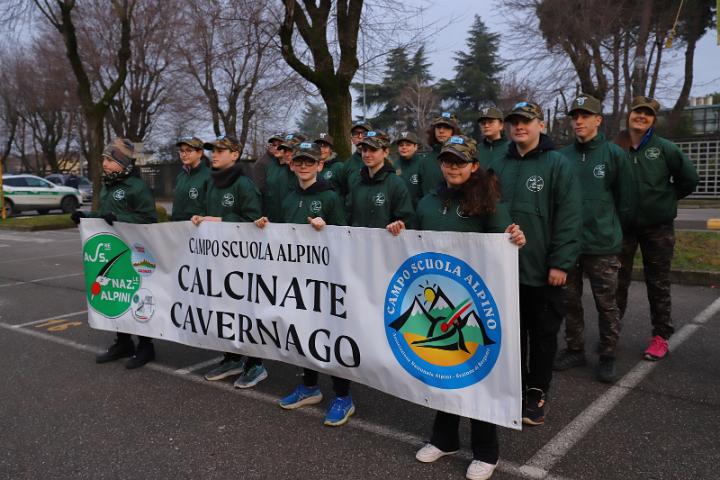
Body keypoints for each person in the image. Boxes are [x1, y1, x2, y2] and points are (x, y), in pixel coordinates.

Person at [395, 135, 525, 480]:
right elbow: (413, 243)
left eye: (460, 161)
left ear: (474, 165)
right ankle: (444, 439)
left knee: (477, 372)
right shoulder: (428, 201)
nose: (452, 167)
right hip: (437, 299)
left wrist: (516, 238)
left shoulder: (487, 199)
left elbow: (505, 242)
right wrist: (400, 231)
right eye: (447, 161)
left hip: (474, 302)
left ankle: (486, 451)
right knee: (443, 367)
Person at [486, 101, 581, 426]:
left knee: (542, 333)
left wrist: (561, 262)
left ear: (541, 125)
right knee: (512, 335)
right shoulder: (498, 164)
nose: (519, 126)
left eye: (526, 121)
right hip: (504, 270)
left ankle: (537, 392)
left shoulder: (557, 164)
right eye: (514, 121)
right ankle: (514, 387)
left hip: (542, 269)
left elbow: (569, 216)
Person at [254, 142, 349, 426]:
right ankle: (309, 387)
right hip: (297, 278)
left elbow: (346, 236)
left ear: (320, 165)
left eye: (310, 161)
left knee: (330, 336)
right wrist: (265, 226)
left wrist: (326, 228)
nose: (304, 166)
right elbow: (284, 233)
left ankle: (343, 396)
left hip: (326, 280)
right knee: (303, 332)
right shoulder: (289, 196)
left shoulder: (330, 197)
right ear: (292, 165)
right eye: (299, 162)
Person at [553, 94, 634, 383]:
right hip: (570, 244)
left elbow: (626, 201)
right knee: (569, 300)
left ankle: (608, 353)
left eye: (585, 116)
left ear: (598, 120)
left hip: (602, 244)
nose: (578, 121)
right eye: (575, 116)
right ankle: (575, 348)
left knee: (606, 303)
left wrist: (610, 229)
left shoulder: (614, 154)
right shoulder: (562, 157)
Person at [615, 96, 699, 361]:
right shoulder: (616, 147)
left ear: (653, 120)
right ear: (629, 115)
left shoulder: (665, 148)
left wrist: (667, 198)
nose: (642, 116)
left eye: (648, 114)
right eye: (638, 112)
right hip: (623, 227)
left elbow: (690, 179)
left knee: (658, 283)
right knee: (617, 282)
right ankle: (611, 333)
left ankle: (660, 336)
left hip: (657, 228)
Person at [71, 138, 158, 369]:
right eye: (104, 159)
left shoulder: (137, 187)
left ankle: (146, 346)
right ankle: (123, 342)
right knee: (116, 295)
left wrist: (120, 219)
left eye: (109, 160)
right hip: (113, 252)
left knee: (136, 295)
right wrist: (85, 217)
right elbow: (104, 215)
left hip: (134, 253)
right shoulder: (108, 185)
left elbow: (149, 219)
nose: (104, 164)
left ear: (123, 163)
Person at [191, 135, 268, 388]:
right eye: (213, 150)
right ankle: (232, 357)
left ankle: (256, 363)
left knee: (246, 310)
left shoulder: (244, 184)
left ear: (235, 155)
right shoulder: (211, 182)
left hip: (242, 261)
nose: (214, 154)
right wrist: (199, 218)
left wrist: (221, 221)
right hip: (218, 259)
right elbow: (208, 213)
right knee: (223, 309)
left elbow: (254, 221)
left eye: (220, 151)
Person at [262, 133, 305, 222]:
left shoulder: (304, 170)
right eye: (285, 150)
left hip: (295, 220)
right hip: (273, 219)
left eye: (291, 150)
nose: (288, 154)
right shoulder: (271, 167)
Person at [392, 130, 440, 207]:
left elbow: (429, 191)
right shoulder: (394, 166)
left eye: (408, 145)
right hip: (399, 210)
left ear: (415, 147)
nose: (404, 147)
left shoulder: (424, 163)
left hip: (419, 209)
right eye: (401, 145)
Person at [170, 136, 211, 221]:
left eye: (189, 150)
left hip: (199, 226)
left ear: (199, 153)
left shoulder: (210, 176)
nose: (184, 154)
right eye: (181, 151)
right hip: (179, 226)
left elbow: (212, 207)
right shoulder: (180, 176)